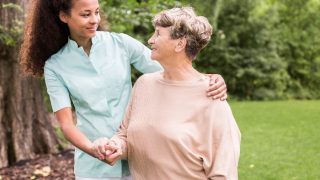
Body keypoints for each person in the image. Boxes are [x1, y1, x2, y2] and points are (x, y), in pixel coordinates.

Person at [19, 0, 227, 179]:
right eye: (85, 14)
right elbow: (66, 125)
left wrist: (207, 78)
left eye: (97, 12)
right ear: (64, 16)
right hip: (93, 169)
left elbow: (175, 69)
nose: (94, 20)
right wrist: (93, 149)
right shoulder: (56, 65)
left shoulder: (121, 43)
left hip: (140, 159)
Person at [100, 7, 241, 180]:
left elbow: (223, 172)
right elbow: (125, 135)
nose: (151, 40)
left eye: (158, 34)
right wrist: (116, 146)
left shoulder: (212, 97)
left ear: (180, 44)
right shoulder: (144, 84)